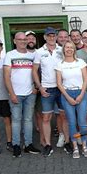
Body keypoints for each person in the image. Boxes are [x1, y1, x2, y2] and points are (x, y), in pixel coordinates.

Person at [3, 32, 40, 157]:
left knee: (29, 120)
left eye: (25, 39)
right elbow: (6, 76)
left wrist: (36, 86)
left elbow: (36, 72)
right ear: (15, 41)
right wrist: (11, 93)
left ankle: (28, 145)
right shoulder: (10, 55)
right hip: (16, 94)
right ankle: (16, 145)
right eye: (20, 39)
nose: (23, 41)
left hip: (30, 93)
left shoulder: (32, 55)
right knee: (16, 120)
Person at [32, 27, 67, 157]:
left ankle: (67, 142)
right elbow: (34, 71)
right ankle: (47, 145)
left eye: (53, 35)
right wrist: (39, 87)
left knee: (64, 116)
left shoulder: (61, 49)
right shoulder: (39, 52)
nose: (51, 37)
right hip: (47, 88)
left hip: (61, 87)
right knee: (46, 117)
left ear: (56, 37)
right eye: (49, 35)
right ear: (45, 37)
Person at [56, 41, 87, 159]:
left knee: (82, 121)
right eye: (67, 47)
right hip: (67, 94)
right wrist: (68, 97)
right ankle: (75, 146)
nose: (69, 49)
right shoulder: (60, 64)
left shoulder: (80, 62)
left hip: (81, 92)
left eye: (71, 47)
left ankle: (85, 146)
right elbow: (59, 84)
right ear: (64, 49)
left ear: (74, 50)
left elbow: (86, 80)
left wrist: (81, 94)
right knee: (71, 122)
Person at [26, 30, 44, 148]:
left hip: (40, 86)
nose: (31, 40)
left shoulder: (40, 52)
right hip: (27, 88)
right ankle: (27, 136)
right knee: (27, 114)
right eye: (28, 38)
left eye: (33, 38)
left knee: (40, 112)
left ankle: (40, 131)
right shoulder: (22, 54)